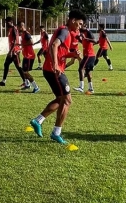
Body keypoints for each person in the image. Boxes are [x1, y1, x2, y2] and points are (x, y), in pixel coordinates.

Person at [29, 10, 86, 145]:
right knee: (67, 101)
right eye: (79, 24)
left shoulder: (68, 34)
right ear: (73, 20)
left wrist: (73, 55)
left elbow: (61, 53)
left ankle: (38, 121)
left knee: (61, 99)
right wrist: (55, 64)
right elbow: (54, 45)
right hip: (54, 70)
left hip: (51, 69)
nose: (80, 27)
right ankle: (56, 133)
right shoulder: (65, 31)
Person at [0, 17, 25, 86]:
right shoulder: (11, 29)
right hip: (13, 51)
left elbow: (14, 41)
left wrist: (10, 51)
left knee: (18, 67)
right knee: (6, 64)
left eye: (7, 22)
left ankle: (26, 82)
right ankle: (3, 81)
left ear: (10, 22)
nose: (6, 24)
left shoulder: (14, 29)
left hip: (15, 51)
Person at [17, 22, 40, 93]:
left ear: (21, 26)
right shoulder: (23, 34)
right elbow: (25, 45)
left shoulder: (26, 34)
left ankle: (36, 87)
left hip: (29, 56)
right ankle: (27, 85)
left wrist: (21, 44)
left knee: (26, 72)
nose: (17, 29)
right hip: (26, 55)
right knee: (23, 71)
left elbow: (31, 42)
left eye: (18, 27)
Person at [74, 24, 97, 93]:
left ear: (86, 26)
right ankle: (91, 88)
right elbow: (85, 42)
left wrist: (85, 38)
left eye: (82, 26)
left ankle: (81, 87)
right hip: (88, 55)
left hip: (89, 55)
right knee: (88, 72)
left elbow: (95, 41)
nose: (80, 27)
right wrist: (79, 39)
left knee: (81, 69)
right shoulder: (82, 32)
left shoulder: (88, 32)